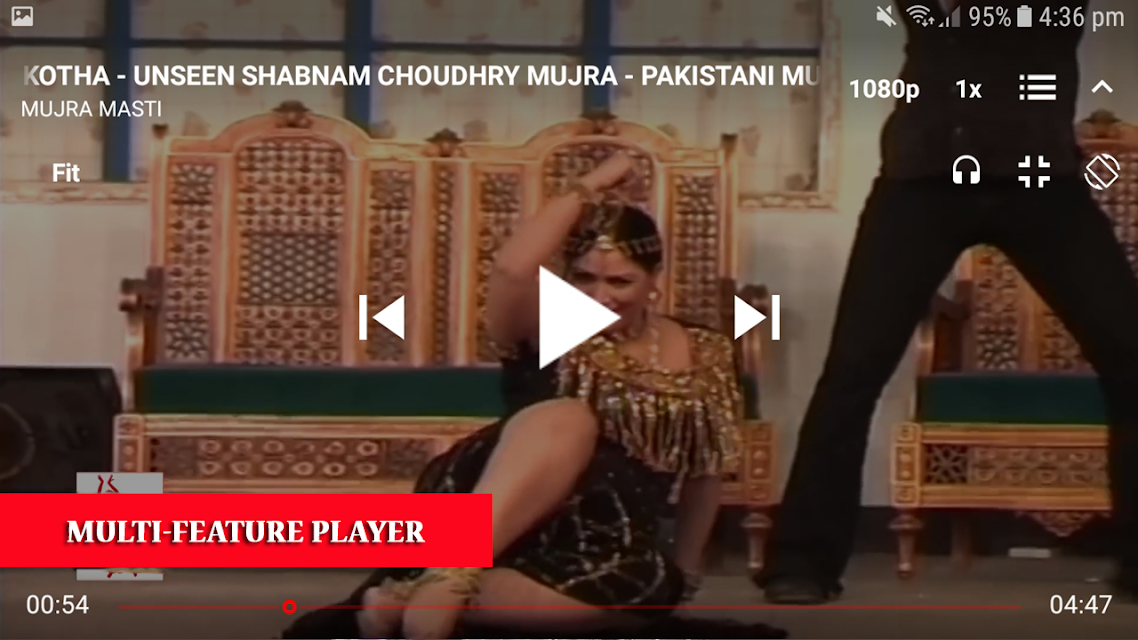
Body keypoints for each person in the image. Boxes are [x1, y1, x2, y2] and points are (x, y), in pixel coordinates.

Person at [283, 153, 787, 639]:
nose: (599, 295)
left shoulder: (704, 349)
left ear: (654, 279)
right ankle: (453, 572)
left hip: (608, 533)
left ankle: (412, 598)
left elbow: (704, 471)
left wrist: (686, 574)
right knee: (569, 417)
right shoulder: (549, 325)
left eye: (620, 281)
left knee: (647, 589)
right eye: (583, 277)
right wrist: (594, 183)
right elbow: (512, 269)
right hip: (506, 501)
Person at [760, 0, 1138, 605]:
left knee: (1131, 355)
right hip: (922, 183)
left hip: (1039, 180)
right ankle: (802, 561)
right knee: (853, 369)